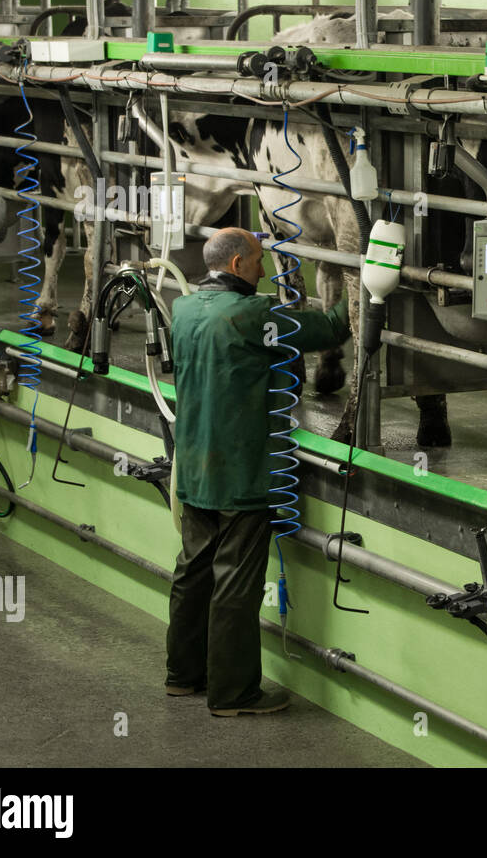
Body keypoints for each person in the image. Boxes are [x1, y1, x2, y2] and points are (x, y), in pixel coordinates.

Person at [165, 227, 351, 716]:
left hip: (194, 468)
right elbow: (330, 329)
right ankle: (233, 693)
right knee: (235, 584)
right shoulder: (255, 314)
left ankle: (183, 676)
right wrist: (363, 278)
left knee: (193, 572)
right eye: (258, 261)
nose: (264, 269)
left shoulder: (182, 309)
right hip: (243, 473)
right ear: (236, 266)